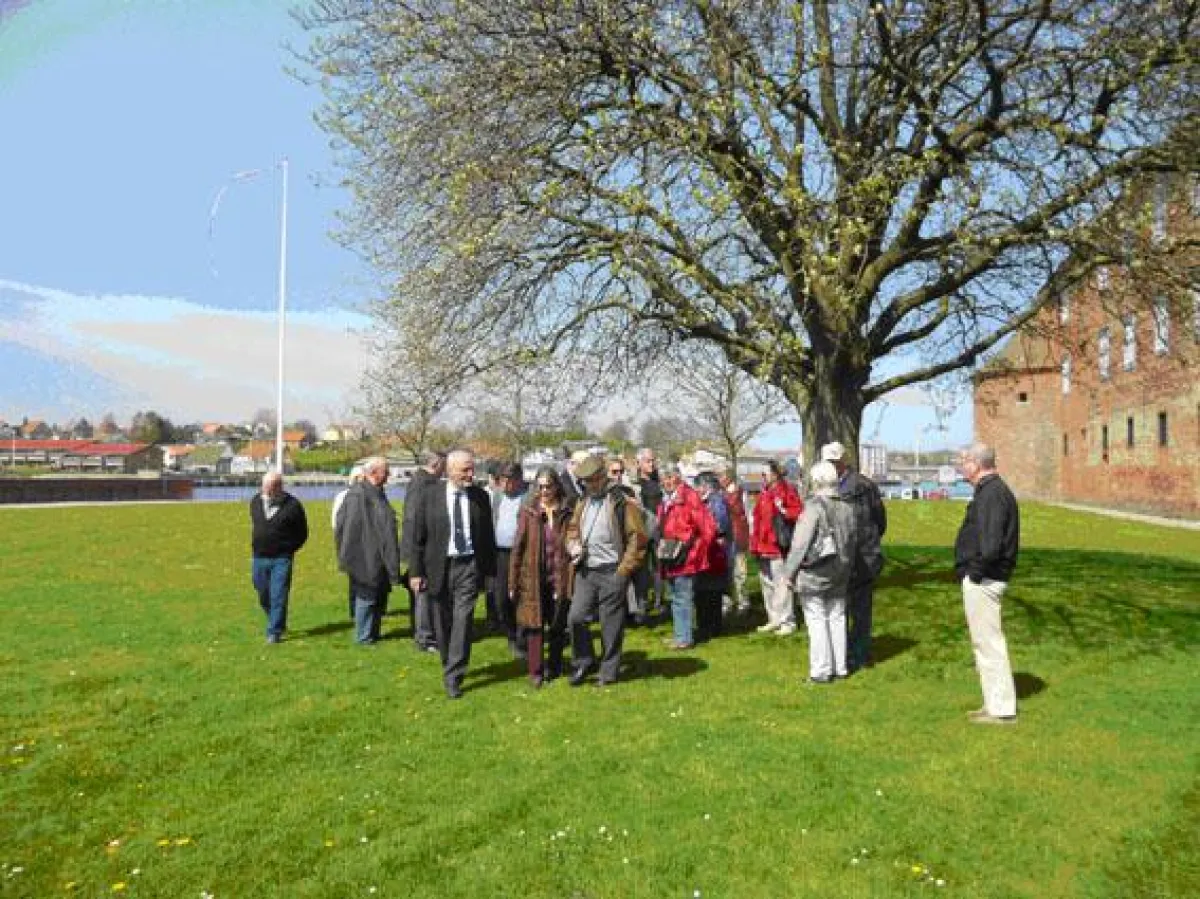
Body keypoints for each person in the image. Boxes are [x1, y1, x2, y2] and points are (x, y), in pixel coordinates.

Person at [408, 449, 497, 699]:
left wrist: (489, 572)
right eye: (465, 470)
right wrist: (416, 572)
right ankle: (449, 660)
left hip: (468, 566)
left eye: (472, 469)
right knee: (442, 621)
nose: (471, 474)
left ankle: (454, 675)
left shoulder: (480, 497)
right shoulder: (429, 496)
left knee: (463, 619)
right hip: (439, 566)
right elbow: (417, 536)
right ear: (449, 471)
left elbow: (487, 536)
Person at [564, 454, 648, 686]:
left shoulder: (622, 501)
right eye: (584, 481)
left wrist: (623, 571)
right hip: (586, 570)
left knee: (611, 625)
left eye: (591, 480)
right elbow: (572, 529)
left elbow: (638, 538)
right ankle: (583, 661)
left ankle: (609, 671)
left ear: (601, 478)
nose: (588, 485)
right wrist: (572, 545)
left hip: (612, 570)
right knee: (576, 617)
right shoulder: (583, 502)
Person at [955, 442, 1021, 725]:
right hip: (984, 576)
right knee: (983, 644)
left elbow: (991, 545)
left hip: (986, 578)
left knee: (989, 643)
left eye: (963, 461)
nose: (960, 466)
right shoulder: (989, 492)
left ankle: (1002, 709)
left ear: (976, 464)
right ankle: (993, 703)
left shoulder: (992, 494)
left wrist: (974, 574)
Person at [778, 461, 858, 683]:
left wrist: (788, 573)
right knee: (837, 617)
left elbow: (800, 544)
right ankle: (840, 667)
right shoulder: (848, 507)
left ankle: (821, 670)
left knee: (816, 619)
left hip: (816, 570)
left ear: (816, 481)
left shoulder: (813, 507)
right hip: (841, 569)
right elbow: (853, 541)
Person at [821, 441, 887, 672]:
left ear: (843, 461)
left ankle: (857, 654)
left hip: (861, 555)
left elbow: (879, 520)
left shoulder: (860, 486)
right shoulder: (849, 485)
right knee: (843, 607)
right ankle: (844, 652)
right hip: (849, 554)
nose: (832, 465)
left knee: (858, 607)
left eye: (835, 461)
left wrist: (869, 543)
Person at [509, 466, 572, 687]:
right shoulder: (529, 511)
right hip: (534, 578)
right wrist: (513, 580)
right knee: (535, 626)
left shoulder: (567, 510)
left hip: (559, 576)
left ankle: (554, 668)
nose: (544, 491)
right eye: (540, 486)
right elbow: (518, 547)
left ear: (556, 486)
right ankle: (535, 672)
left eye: (549, 486)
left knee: (556, 625)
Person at [335, 457, 401, 645]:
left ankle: (373, 633)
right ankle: (363, 637)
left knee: (379, 594)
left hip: (378, 554)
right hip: (364, 555)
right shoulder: (358, 496)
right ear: (373, 473)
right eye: (385, 472)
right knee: (367, 595)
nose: (388, 476)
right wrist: (354, 556)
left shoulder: (377, 493)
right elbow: (349, 529)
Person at [657, 464, 717, 650]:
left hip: (686, 557)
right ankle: (680, 634)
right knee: (675, 597)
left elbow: (708, 528)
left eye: (670, 477)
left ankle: (684, 638)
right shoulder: (668, 499)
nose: (666, 481)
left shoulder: (689, 497)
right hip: (671, 555)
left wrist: (694, 550)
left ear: (678, 477)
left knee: (682, 597)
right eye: (664, 478)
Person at [248, 471, 308, 644]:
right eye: (264, 487)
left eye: (269, 487)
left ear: (279, 487)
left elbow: (302, 532)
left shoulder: (293, 506)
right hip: (259, 557)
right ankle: (278, 621)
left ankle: (273, 632)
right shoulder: (256, 502)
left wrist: (289, 549)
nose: (265, 491)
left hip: (281, 558)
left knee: (279, 594)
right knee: (263, 593)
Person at [749, 460, 802, 635]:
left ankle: (788, 620)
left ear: (775, 474)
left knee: (782, 582)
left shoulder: (786, 490)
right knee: (766, 582)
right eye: (761, 474)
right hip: (762, 544)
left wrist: (785, 511)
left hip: (777, 544)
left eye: (765, 473)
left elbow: (798, 512)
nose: (762, 477)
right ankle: (773, 618)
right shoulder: (764, 492)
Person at [400, 450, 445, 653]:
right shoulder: (426, 486)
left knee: (420, 593)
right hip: (423, 547)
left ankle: (423, 632)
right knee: (424, 592)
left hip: (416, 546)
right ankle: (424, 637)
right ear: (436, 465)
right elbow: (416, 520)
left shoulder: (417, 482)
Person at [491, 461, 528, 657]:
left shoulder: (528, 498)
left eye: (509, 480)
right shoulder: (496, 497)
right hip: (500, 555)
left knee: (521, 597)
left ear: (519, 480)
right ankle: (511, 634)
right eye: (502, 480)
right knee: (501, 599)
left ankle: (522, 638)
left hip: (521, 555)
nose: (505, 485)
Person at [693, 471, 731, 642]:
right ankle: (706, 625)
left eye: (698, 485)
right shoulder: (705, 501)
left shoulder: (716, 501)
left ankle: (711, 626)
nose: (696, 489)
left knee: (712, 591)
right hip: (706, 550)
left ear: (706, 486)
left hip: (714, 550)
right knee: (703, 590)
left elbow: (720, 525)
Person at [631, 447, 664, 618]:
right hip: (641, 531)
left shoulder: (659, 481)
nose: (652, 464)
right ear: (639, 463)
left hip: (659, 531)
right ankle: (641, 604)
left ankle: (659, 602)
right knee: (641, 569)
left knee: (659, 567)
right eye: (648, 461)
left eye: (653, 460)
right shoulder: (633, 483)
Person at [332, 466, 365, 620]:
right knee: (355, 578)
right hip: (351, 543)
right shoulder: (343, 496)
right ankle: (355, 609)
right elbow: (336, 523)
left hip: (367, 542)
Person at [718, 466, 751, 615]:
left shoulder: (740, 492)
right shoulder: (719, 494)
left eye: (722, 475)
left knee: (740, 571)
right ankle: (727, 601)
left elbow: (748, 514)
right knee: (726, 571)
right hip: (726, 536)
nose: (720, 479)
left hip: (738, 535)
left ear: (729, 476)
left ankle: (743, 601)